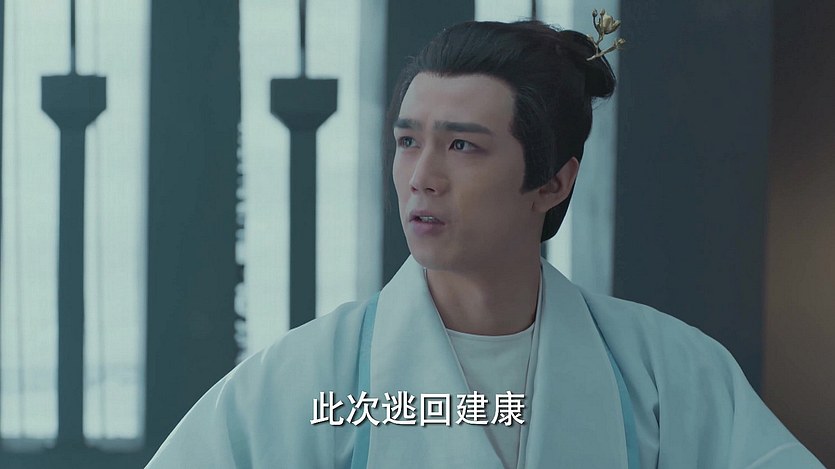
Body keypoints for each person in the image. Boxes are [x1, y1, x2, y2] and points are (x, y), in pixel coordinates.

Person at [146, 17, 823, 469]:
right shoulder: (305, 378)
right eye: (407, 141)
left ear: (553, 181)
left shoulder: (667, 373)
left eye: (462, 146)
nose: (422, 176)